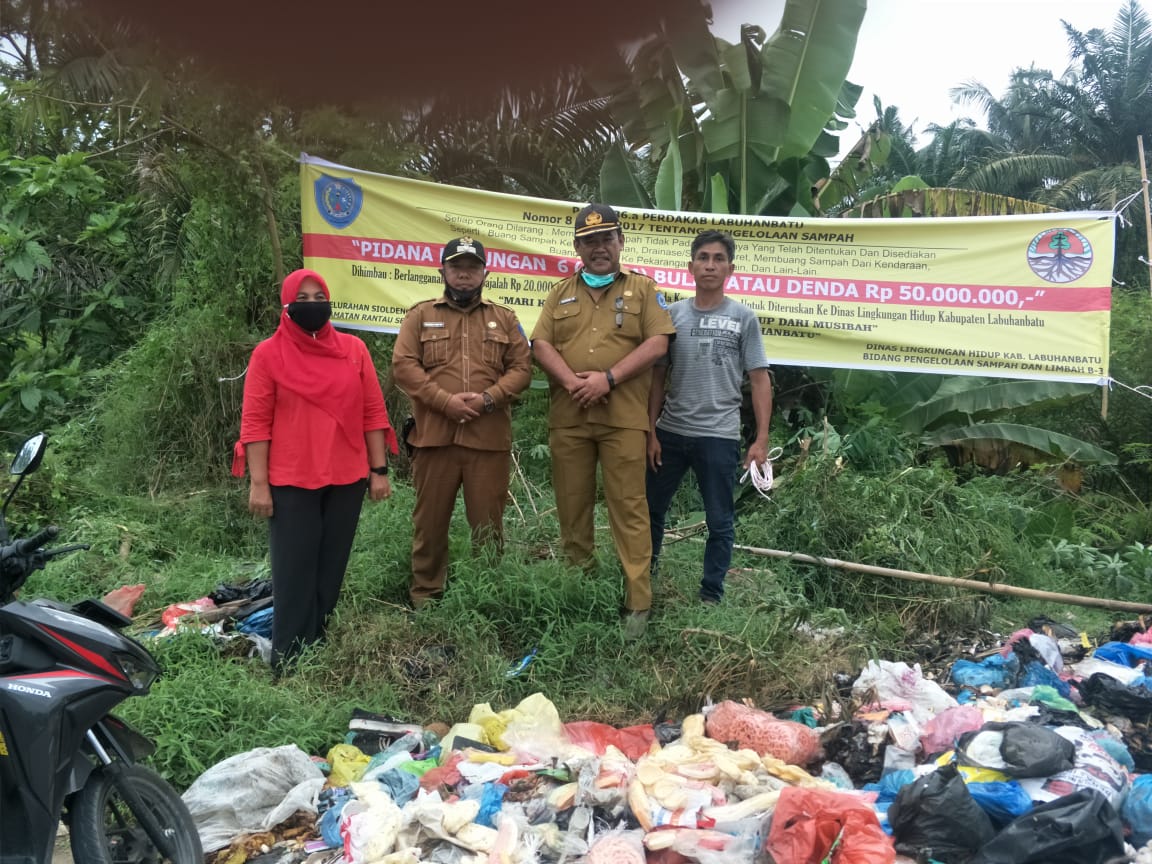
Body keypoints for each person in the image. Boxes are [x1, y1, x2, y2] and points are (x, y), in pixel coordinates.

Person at [233, 268, 398, 674]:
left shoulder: (354, 350)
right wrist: (259, 484)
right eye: (301, 299)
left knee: (330, 570)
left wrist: (378, 470)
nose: (311, 305)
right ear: (286, 306)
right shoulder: (268, 355)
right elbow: (255, 424)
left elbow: (373, 413)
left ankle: (316, 650)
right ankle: (287, 662)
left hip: (346, 479)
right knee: (294, 573)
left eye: (317, 296)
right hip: (291, 482)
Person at [531, 203, 676, 639]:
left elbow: (658, 344)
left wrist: (607, 380)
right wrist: (574, 383)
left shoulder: (644, 291)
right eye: (589, 241)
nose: (598, 248)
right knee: (572, 510)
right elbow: (540, 344)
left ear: (620, 243)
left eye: (606, 239)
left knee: (629, 510)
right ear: (577, 246)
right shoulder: (560, 294)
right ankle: (582, 592)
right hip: (570, 419)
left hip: (623, 420)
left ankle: (637, 606)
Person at [392, 237, 532, 608]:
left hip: (488, 443)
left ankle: (485, 597)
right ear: (443, 272)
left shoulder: (505, 319)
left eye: (472, 267)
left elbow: (522, 369)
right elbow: (403, 366)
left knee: (488, 528)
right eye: (457, 267)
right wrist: (445, 402)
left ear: (485, 272)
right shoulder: (420, 315)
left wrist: (490, 399)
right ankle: (426, 596)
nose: (465, 274)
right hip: (434, 440)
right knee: (430, 525)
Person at [646, 230, 773, 604]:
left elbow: (760, 379)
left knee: (720, 521)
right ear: (690, 267)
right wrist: (649, 430)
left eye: (718, 259)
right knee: (651, 510)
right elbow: (657, 377)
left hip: (719, 435)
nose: (710, 265)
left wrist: (761, 438)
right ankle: (644, 582)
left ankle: (711, 594)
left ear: (730, 269)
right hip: (670, 431)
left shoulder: (743, 318)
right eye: (703, 257)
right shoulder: (672, 316)